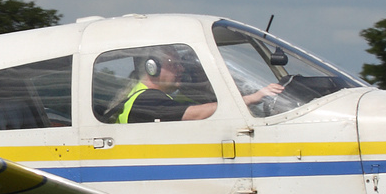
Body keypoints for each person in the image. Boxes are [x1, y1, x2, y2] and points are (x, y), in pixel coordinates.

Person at [116, 52, 282, 123]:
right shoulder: (145, 100)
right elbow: (195, 114)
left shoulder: (164, 98)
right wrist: (250, 99)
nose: (181, 69)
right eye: (174, 64)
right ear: (152, 67)